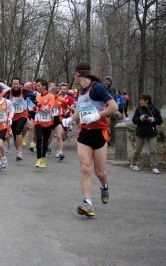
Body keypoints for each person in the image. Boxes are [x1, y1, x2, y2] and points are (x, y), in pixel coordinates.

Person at [62, 62, 118, 217]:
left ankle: (104, 185)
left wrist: (97, 115)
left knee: (99, 172)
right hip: (84, 134)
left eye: (74, 73)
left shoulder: (98, 87)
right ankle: (87, 202)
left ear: (78, 74)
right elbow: (81, 111)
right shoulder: (80, 92)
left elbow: (114, 107)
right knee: (85, 168)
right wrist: (70, 119)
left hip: (99, 133)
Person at [3, 77, 37, 161]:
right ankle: (18, 151)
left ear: (19, 84)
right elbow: (2, 103)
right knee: (15, 135)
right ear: (12, 84)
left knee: (18, 130)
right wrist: (10, 103)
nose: (16, 85)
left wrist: (37, 104)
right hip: (12, 116)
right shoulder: (8, 93)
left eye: (17, 84)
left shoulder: (24, 92)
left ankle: (20, 152)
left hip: (23, 115)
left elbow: (34, 96)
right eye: (14, 84)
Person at [130, 93, 163, 174]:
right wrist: (141, 118)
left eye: (141, 100)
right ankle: (133, 164)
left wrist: (152, 119)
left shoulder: (154, 109)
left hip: (151, 133)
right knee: (137, 150)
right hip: (141, 132)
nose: (140, 102)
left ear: (146, 101)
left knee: (153, 150)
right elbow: (134, 120)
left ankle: (154, 167)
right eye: (140, 100)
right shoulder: (138, 109)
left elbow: (160, 120)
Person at [34, 78, 54, 168]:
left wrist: (38, 106)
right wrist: (34, 108)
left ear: (44, 86)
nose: (37, 87)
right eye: (36, 85)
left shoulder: (50, 96)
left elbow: (49, 108)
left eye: (38, 85)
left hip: (48, 121)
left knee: (45, 140)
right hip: (38, 120)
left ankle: (43, 158)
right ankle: (38, 159)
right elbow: (34, 108)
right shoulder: (37, 96)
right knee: (39, 138)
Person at [48, 86, 68, 160]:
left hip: (57, 119)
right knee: (49, 138)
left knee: (59, 136)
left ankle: (60, 152)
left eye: (50, 93)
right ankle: (48, 145)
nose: (49, 94)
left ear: (55, 93)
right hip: (49, 120)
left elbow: (65, 108)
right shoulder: (47, 99)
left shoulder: (61, 100)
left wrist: (62, 115)